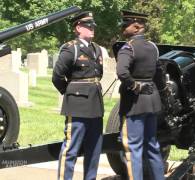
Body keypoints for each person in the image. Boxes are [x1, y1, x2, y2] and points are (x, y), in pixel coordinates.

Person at [52, 11, 104, 180]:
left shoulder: (96, 49)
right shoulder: (71, 48)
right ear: (78, 27)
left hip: (95, 106)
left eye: (93, 26)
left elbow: (98, 74)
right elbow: (57, 76)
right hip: (77, 105)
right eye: (88, 26)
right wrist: (71, 93)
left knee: (94, 150)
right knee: (71, 150)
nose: (92, 29)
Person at [116, 10, 167, 180]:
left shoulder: (128, 48)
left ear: (137, 27)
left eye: (126, 25)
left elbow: (122, 73)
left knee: (132, 149)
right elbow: (159, 73)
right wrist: (161, 92)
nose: (123, 28)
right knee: (152, 145)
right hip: (152, 101)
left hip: (134, 103)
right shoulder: (152, 47)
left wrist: (135, 86)